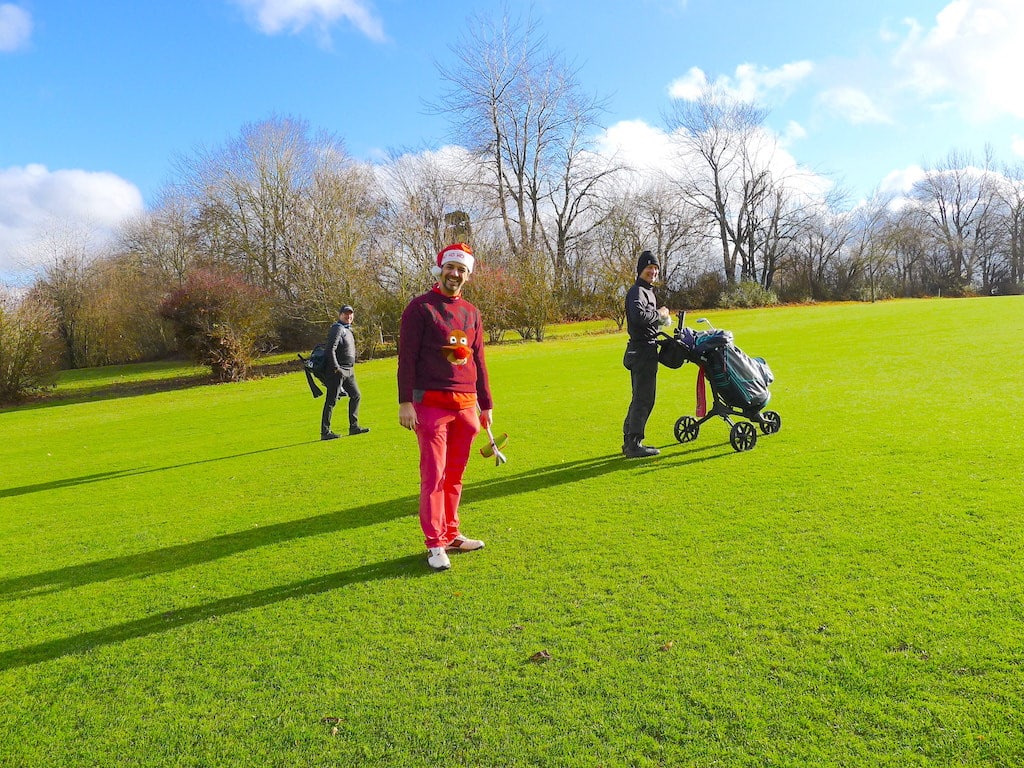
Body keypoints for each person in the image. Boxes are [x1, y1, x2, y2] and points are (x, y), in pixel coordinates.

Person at [398, 243, 493, 571]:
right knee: (434, 475)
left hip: (466, 405)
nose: (455, 274)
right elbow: (407, 358)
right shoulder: (420, 308)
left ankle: (452, 534)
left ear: (468, 275)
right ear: (440, 270)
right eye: (450, 268)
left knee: (454, 476)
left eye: (461, 270)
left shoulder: (471, 312)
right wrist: (405, 402)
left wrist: (486, 404)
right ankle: (435, 542)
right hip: (431, 404)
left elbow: (478, 359)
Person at [622, 250, 671, 458]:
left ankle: (629, 441)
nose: (653, 271)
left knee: (640, 398)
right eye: (649, 268)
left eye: (655, 268)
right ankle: (634, 444)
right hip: (641, 351)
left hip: (647, 349)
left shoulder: (648, 292)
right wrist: (659, 314)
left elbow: (647, 319)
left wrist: (661, 320)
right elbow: (639, 316)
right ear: (641, 269)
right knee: (644, 399)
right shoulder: (637, 292)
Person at [321, 305, 370, 440]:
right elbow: (330, 349)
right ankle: (325, 432)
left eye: (350, 314)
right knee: (331, 400)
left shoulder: (347, 329)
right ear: (340, 315)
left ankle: (354, 427)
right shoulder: (337, 328)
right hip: (338, 370)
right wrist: (336, 367)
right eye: (345, 314)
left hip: (349, 370)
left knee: (356, 395)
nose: (348, 316)